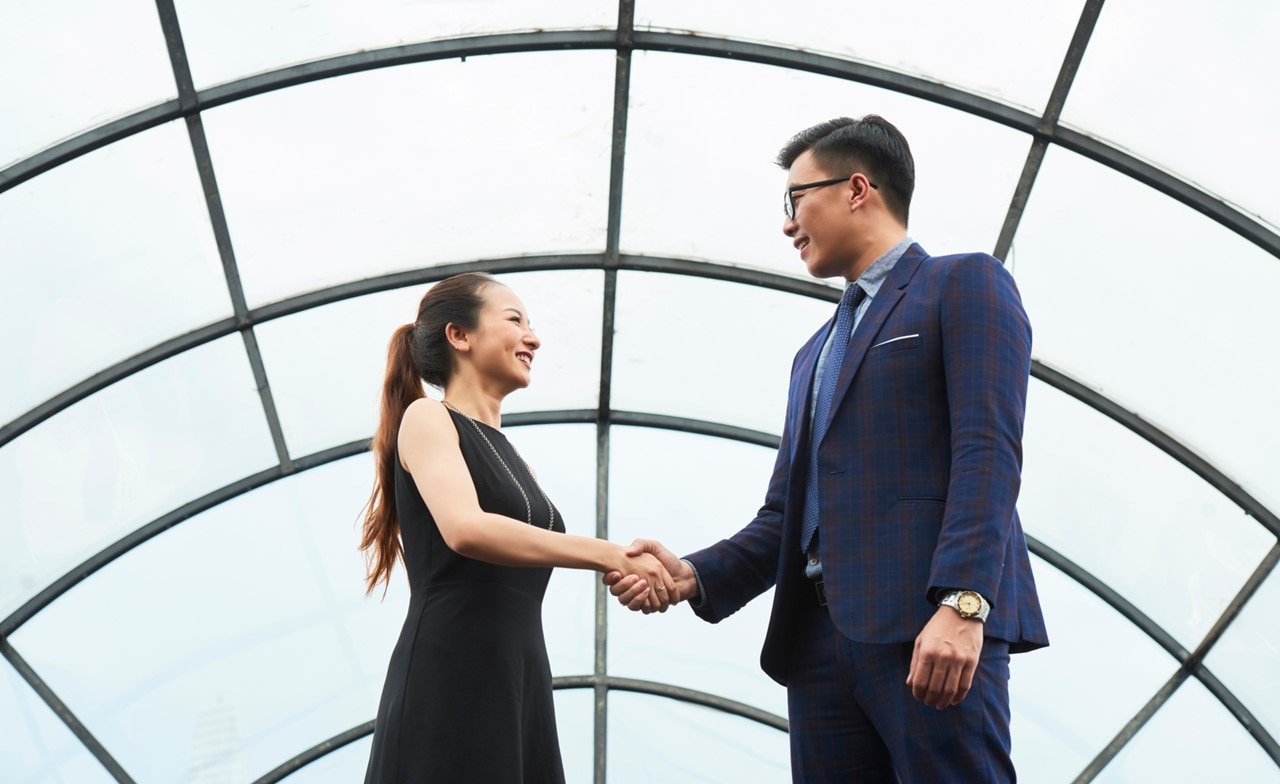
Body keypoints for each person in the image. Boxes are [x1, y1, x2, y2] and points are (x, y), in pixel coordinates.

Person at [606, 115, 1049, 782]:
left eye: (796, 198)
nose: (788, 224)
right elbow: (786, 517)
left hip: (925, 627)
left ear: (857, 188)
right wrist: (691, 575)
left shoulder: (963, 283)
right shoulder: (812, 353)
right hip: (817, 645)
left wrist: (963, 604)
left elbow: (987, 454)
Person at [361, 272, 677, 783]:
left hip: (518, 676)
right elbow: (466, 529)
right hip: (450, 672)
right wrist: (608, 554)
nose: (533, 337)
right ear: (459, 337)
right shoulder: (427, 418)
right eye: (515, 321)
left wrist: (627, 570)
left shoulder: (516, 461)